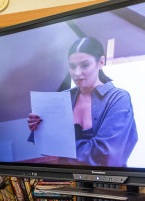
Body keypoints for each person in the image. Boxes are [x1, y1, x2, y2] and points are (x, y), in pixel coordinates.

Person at [27, 36, 137, 167]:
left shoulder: (118, 98)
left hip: (109, 183)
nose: (77, 73)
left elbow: (106, 155)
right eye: (72, 66)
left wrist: (59, 144)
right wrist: (38, 128)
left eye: (85, 65)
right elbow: (45, 145)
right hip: (65, 179)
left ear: (101, 62)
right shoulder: (62, 98)